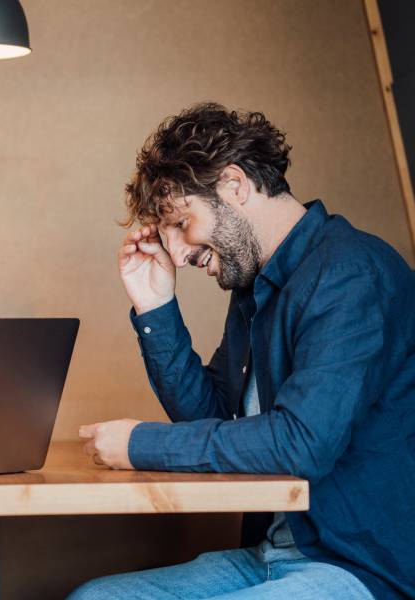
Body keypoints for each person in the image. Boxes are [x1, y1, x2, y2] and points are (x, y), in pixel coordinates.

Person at [71, 103, 415, 599]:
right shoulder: (256, 288)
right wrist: (156, 308)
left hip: (361, 566)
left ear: (234, 185)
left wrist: (140, 444)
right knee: (95, 598)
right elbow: (210, 417)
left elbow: (302, 443)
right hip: (276, 555)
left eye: (182, 223)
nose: (179, 255)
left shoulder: (349, 275)